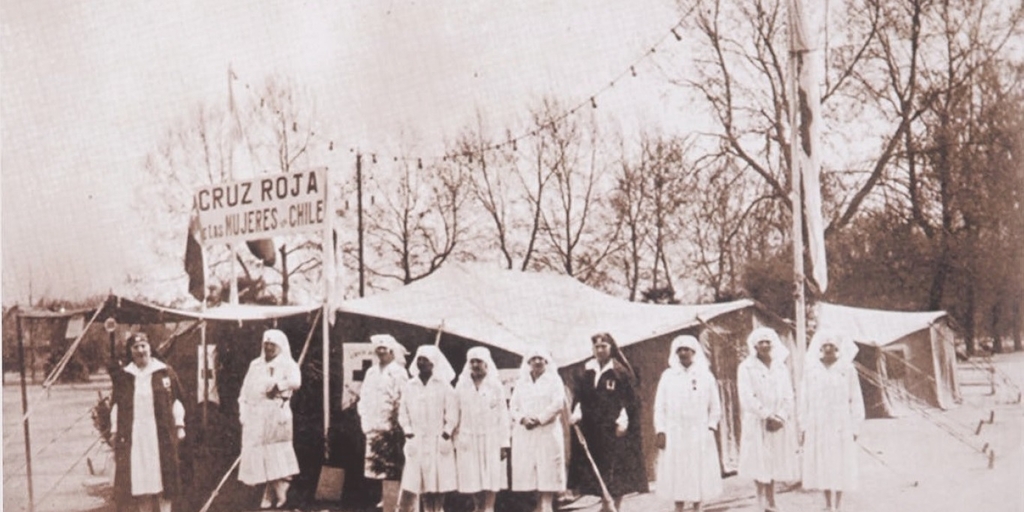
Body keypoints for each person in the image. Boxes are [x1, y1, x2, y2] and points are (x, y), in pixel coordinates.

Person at [569, 332, 648, 512]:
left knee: (615, 469)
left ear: (611, 348)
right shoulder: (587, 371)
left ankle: (614, 506)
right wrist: (577, 413)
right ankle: (606, 504)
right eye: (596, 347)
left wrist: (623, 421)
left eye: (603, 346)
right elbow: (580, 397)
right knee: (598, 467)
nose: (600, 350)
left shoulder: (620, 372)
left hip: (613, 429)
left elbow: (630, 401)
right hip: (593, 429)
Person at [109, 332, 186, 512]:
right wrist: (114, 431)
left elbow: (176, 401)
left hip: (160, 436)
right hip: (136, 437)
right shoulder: (125, 376)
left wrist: (180, 425)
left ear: (150, 348)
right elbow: (117, 406)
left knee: (164, 481)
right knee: (141, 484)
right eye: (136, 347)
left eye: (144, 346)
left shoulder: (165, 372)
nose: (140, 350)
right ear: (131, 351)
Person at [653, 335, 723, 512]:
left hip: (698, 432)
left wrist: (710, 427)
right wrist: (660, 430)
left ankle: (697, 507)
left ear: (694, 352)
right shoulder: (668, 376)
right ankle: (678, 508)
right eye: (680, 350)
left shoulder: (705, 376)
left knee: (697, 469)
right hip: (675, 432)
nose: (683, 353)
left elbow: (715, 406)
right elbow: (659, 406)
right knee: (678, 471)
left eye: (687, 349)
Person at [799, 330, 865, 512]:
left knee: (840, 462)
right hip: (818, 422)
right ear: (820, 348)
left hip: (841, 423)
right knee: (824, 462)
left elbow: (856, 398)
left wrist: (855, 426)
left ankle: (839, 504)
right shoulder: (812, 370)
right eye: (825, 346)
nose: (829, 349)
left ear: (838, 348)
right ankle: (828, 505)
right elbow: (804, 398)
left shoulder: (847, 369)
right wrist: (803, 424)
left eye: (832, 346)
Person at [238, 329, 302, 509]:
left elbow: (296, 382)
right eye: (266, 344)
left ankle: (278, 491)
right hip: (256, 416)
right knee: (260, 454)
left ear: (280, 346)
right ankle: (268, 491)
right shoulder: (255, 364)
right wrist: (243, 411)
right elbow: (245, 390)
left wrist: (278, 386)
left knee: (275, 453)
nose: (268, 347)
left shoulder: (287, 363)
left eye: (272, 344)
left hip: (276, 415)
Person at [737, 327, 799, 512]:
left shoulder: (780, 367)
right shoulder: (746, 367)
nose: (764, 345)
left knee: (773, 461)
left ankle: (772, 501)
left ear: (773, 344)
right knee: (759, 460)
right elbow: (746, 396)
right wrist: (766, 415)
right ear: (754, 345)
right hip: (758, 421)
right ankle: (760, 501)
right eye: (760, 342)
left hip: (777, 423)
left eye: (768, 342)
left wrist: (780, 416)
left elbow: (789, 395)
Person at [398, 345, 458, 512]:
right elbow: (403, 411)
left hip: (438, 439)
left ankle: (438, 509)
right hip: (416, 438)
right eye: (419, 359)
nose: (422, 363)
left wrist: (446, 433)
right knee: (420, 480)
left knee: (438, 481)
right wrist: (408, 432)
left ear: (433, 363)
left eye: (426, 359)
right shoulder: (410, 386)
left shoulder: (444, 386)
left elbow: (452, 412)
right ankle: (426, 509)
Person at [454, 346, 511, 512]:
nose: (475, 365)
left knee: (491, 473)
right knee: (472, 475)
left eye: (479, 361)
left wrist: (504, 442)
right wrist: (456, 437)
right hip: (468, 436)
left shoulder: (495, 385)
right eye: (472, 361)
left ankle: (489, 507)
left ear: (486, 363)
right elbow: (455, 411)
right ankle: (477, 506)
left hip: (491, 437)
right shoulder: (462, 385)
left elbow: (503, 415)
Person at [509, 347, 566, 512]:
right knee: (529, 468)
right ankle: (537, 505)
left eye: (541, 359)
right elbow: (513, 405)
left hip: (547, 430)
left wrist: (540, 418)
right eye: (534, 359)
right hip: (526, 432)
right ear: (528, 362)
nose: (537, 362)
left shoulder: (554, 380)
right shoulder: (522, 382)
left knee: (547, 466)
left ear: (546, 361)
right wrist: (523, 418)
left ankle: (547, 504)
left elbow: (558, 403)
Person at [358, 334, 410, 484]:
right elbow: (364, 396)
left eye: (384, 349)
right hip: (371, 422)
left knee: (390, 463)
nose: (381, 352)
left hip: (390, 425)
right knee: (373, 462)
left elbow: (402, 398)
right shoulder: (371, 372)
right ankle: (375, 494)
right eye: (378, 349)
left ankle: (388, 496)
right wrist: (364, 416)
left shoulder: (399, 372)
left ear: (391, 351)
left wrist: (395, 422)